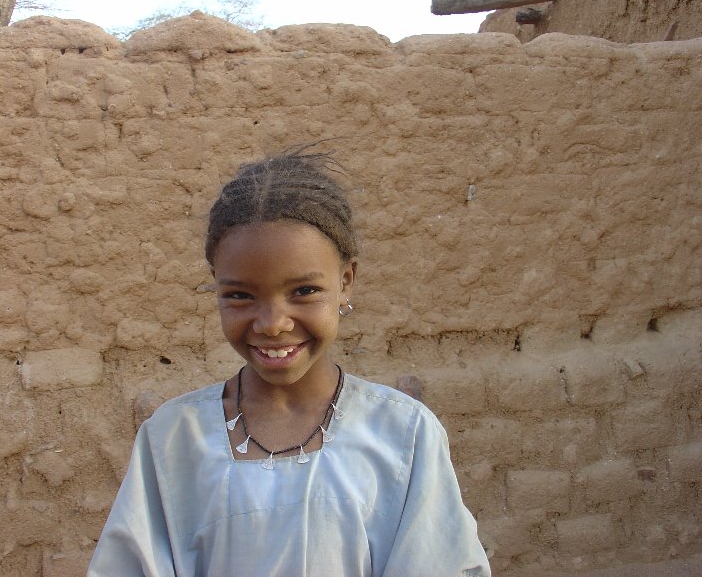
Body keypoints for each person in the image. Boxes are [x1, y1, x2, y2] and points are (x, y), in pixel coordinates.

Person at [87, 146, 491, 576]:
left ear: (346, 281)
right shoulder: (173, 439)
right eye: (240, 295)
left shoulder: (403, 435)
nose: (273, 324)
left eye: (304, 292)